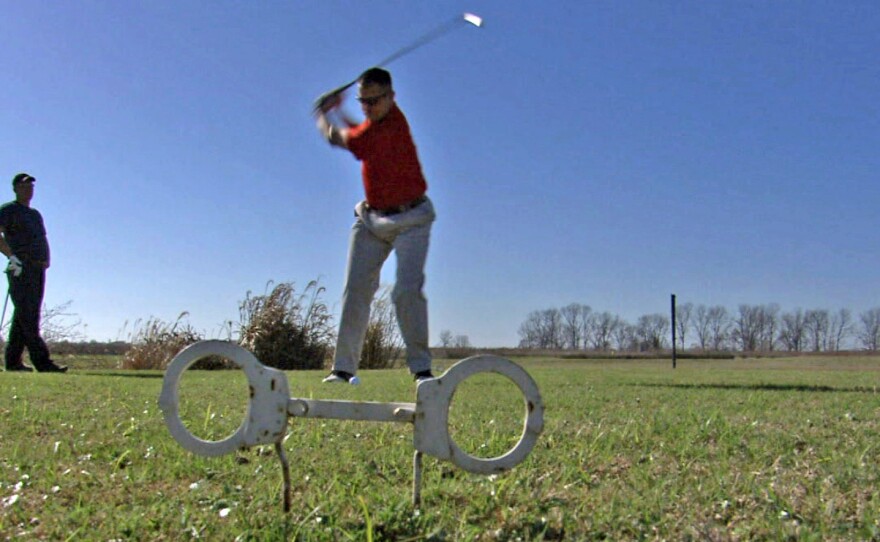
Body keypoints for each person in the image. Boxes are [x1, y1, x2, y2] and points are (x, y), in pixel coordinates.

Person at [314, 67, 435, 385]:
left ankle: (421, 370)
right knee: (356, 291)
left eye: (374, 101)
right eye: (362, 102)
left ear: (391, 97)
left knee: (406, 292)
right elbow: (360, 133)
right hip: (371, 220)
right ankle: (342, 370)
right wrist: (339, 109)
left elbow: (340, 138)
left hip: (413, 219)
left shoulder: (392, 126)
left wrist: (323, 115)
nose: (368, 107)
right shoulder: (373, 127)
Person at [0, 173, 67, 373]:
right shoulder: (8, 210)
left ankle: (12, 362)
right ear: (15, 188)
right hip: (20, 267)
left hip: (37, 268)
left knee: (25, 315)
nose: (28, 190)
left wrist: (47, 259)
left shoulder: (35, 215)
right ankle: (43, 362)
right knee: (28, 315)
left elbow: (42, 238)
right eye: (24, 186)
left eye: (31, 186)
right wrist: (11, 257)